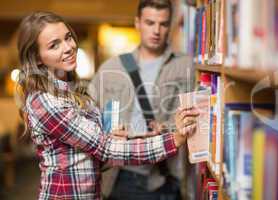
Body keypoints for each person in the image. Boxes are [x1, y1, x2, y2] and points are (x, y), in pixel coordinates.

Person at [16, 11, 198, 200]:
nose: (69, 47)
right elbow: (104, 148)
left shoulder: (71, 90)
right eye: (54, 45)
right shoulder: (46, 101)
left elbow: (94, 148)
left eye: (68, 37)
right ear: (37, 57)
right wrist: (174, 139)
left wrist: (122, 138)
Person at [88, 0, 195, 199]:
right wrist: (108, 133)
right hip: (121, 175)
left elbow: (199, 117)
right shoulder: (112, 67)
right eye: (149, 23)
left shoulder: (186, 66)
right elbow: (88, 116)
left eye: (163, 24)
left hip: (163, 176)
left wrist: (167, 128)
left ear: (169, 25)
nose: (156, 31)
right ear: (137, 23)